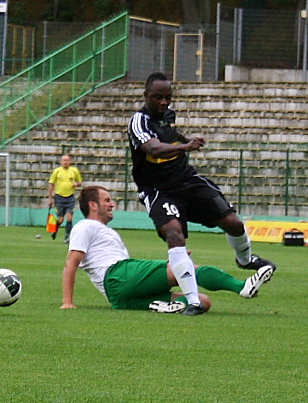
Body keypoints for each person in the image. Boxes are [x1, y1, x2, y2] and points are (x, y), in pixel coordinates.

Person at [127, 72, 276, 315]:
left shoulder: (169, 116)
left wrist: (186, 138)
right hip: (159, 190)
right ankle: (193, 301)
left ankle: (245, 259)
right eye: (157, 97)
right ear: (146, 96)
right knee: (174, 234)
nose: (164, 102)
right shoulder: (139, 121)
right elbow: (153, 147)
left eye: (167, 97)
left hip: (187, 180)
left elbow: (171, 134)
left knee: (233, 222)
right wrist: (185, 146)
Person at [60, 186, 275, 315]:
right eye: (107, 200)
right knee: (188, 268)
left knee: (202, 302)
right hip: (117, 275)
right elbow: (71, 263)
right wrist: (68, 302)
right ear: (93, 205)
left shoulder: (101, 230)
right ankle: (242, 287)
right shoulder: (86, 226)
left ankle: (163, 306)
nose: (112, 204)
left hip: (119, 298)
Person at [48, 155, 82, 243]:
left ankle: (67, 237)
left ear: (70, 161)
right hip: (59, 197)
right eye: (64, 160)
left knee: (69, 217)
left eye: (67, 160)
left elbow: (80, 182)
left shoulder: (74, 171)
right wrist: (50, 199)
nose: (65, 162)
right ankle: (54, 229)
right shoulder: (57, 171)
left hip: (70, 197)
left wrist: (76, 184)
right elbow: (51, 184)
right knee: (61, 219)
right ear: (61, 161)